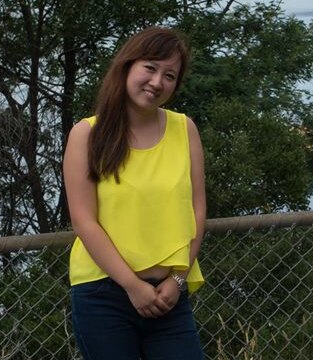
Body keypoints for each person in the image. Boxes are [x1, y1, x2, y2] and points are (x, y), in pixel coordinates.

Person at [63, 27, 206, 359]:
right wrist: (132, 286)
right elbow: (84, 222)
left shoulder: (184, 129)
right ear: (127, 66)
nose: (157, 82)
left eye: (169, 75)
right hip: (103, 295)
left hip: (169, 295)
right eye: (150, 68)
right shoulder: (86, 134)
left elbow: (197, 213)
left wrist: (178, 280)